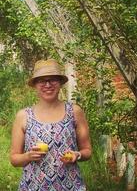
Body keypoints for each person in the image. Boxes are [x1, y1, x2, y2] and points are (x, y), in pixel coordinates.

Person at [10, 59, 92, 190]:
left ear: (60, 83)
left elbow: (87, 151)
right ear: (35, 85)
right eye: (42, 80)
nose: (48, 85)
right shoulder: (23, 116)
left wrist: (77, 155)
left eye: (53, 80)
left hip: (70, 186)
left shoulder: (74, 111)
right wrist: (27, 156)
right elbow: (14, 159)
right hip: (33, 186)